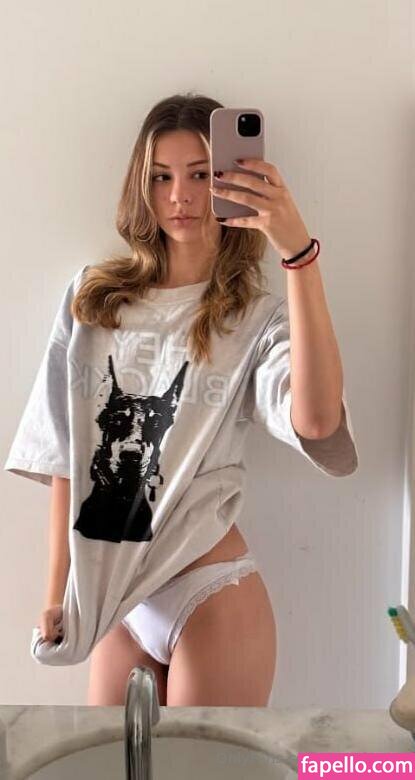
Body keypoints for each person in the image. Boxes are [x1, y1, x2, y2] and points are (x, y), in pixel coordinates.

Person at [4, 92, 358, 707]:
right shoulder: (93, 299)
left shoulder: (255, 318)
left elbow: (318, 419)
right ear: (140, 187)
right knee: (110, 758)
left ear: (230, 182)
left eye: (200, 175)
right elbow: (66, 454)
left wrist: (297, 254)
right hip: (116, 597)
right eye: (162, 177)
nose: (180, 197)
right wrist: (58, 591)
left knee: (204, 760)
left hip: (210, 588)